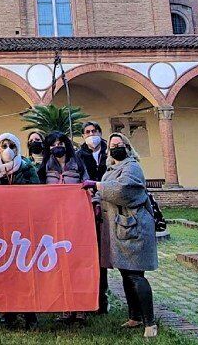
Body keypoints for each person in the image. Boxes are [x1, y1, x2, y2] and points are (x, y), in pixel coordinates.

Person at [84, 132, 159, 339]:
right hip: (120, 229)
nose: (116, 147)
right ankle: (134, 316)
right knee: (126, 273)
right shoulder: (112, 169)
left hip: (134, 229)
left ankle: (150, 322)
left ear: (127, 147)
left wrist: (97, 186)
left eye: (120, 144)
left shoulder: (132, 166)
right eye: (112, 145)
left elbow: (125, 191)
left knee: (136, 274)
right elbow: (105, 193)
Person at [0, 132, 40, 330]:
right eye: (3, 145)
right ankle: (9, 313)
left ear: (17, 148)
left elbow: (37, 191)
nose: (7, 149)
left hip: (23, 226)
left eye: (12, 146)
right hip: (0, 229)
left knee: (25, 269)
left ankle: (30, 313)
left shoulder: (28, 168)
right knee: (4, 269)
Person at [41, 131, 90, 323]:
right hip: (54, 220)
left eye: (60, 143)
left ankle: (81, 308)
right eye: (53, 144)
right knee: (59, 262)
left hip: (76, 219)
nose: (57, 147)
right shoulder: (45, 166)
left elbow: (87, 185)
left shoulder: (78, 163)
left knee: (77, 262)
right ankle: (65, 308)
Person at [76, 121, 111, 315]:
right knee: (92, 254)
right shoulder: (79, 155)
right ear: (83, 136)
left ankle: (103, 299)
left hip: (110, 206)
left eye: (94, 131)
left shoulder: (110, 152)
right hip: (89, 209)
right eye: (88, 132)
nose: (91, 134)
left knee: (105, 257)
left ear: (100, 133)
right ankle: (93, 299)